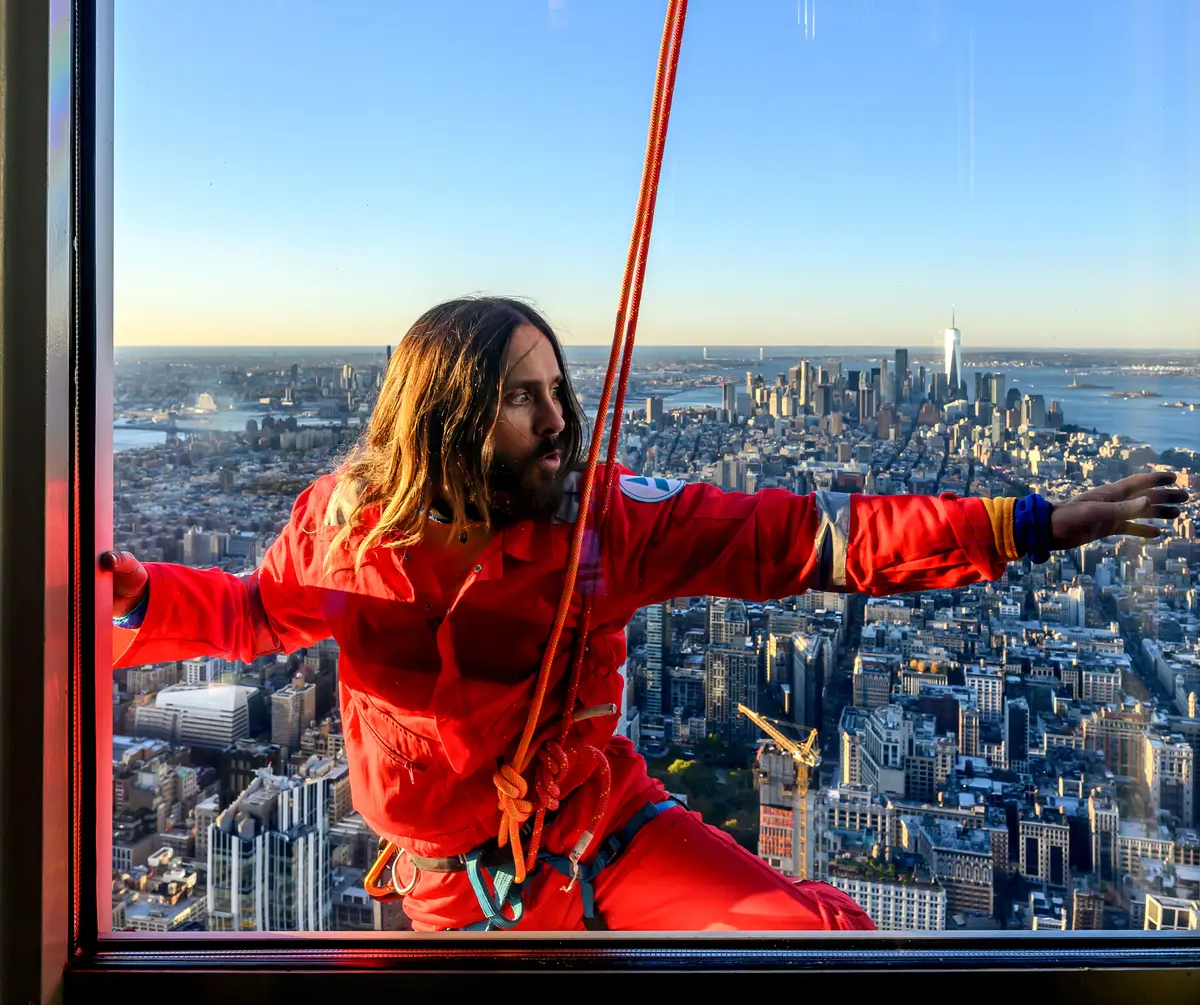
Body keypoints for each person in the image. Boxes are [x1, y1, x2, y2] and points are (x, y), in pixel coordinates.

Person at [102, 296, 1186, 932]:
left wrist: (1030, 522)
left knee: (820, 947)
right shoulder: (346, 529)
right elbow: (255, 614)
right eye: (523, 397)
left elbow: (808, 539)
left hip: (599, 834)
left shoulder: (602, 525)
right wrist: (119, 598)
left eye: (557, 389)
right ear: (446, 416)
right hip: (445, 892)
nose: (561, 418)